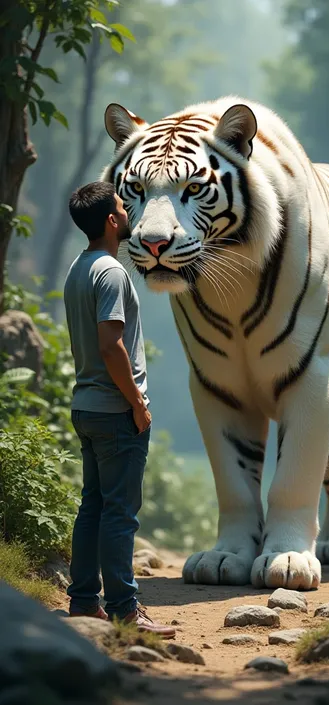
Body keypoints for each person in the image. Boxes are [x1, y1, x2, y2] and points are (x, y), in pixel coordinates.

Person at [63, 181, 175, 637]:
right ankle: (125, 608)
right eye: (122, 207)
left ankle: (85, 600)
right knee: (119, 513)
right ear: (111, 220)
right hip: (114, 410)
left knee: (93, 506)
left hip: (86, 406)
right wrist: (138, 404)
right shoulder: (110, 271)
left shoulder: (78, 268)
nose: (130, 212)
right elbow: (112, 347)